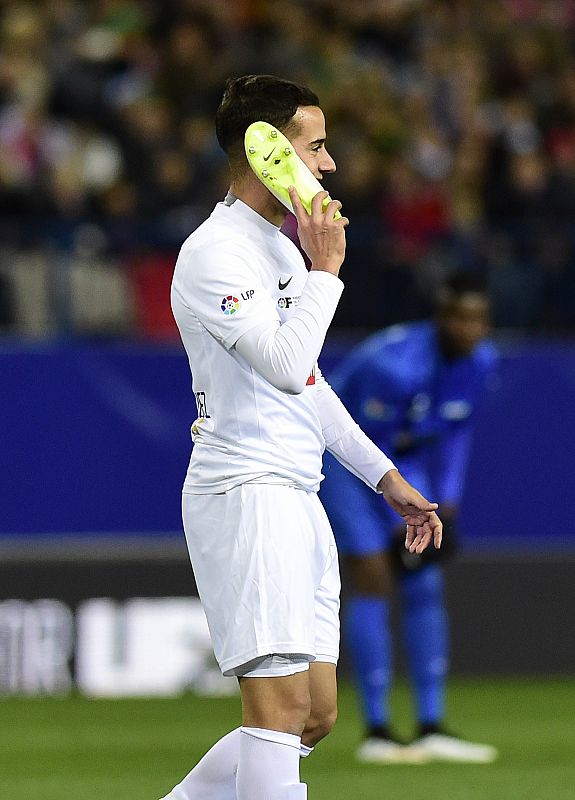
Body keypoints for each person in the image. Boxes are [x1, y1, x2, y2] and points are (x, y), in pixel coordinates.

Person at [162, 74, 442, 800]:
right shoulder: (214, 254)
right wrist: (327, 271)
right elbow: (286, 367)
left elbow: (310, 386)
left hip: (298, 494)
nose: (328, 166)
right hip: (246, 493)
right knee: (279, 712)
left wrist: (385, 479)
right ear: (268, 154)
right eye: (315, 146)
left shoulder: (281, 251)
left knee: (313, 716)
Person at [319, 272, 499, 765]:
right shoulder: (393, 366)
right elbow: (366, 450)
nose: (471, 330)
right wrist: (402, 519)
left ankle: (430, 724)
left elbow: (455, 431)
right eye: (460, 319)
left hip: (404, 465)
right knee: (374, 574)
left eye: (479, 320)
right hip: (345, 467)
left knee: (423, 581)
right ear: (439, 318)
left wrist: (449, 499)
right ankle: (377, 729)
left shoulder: (482, 362)